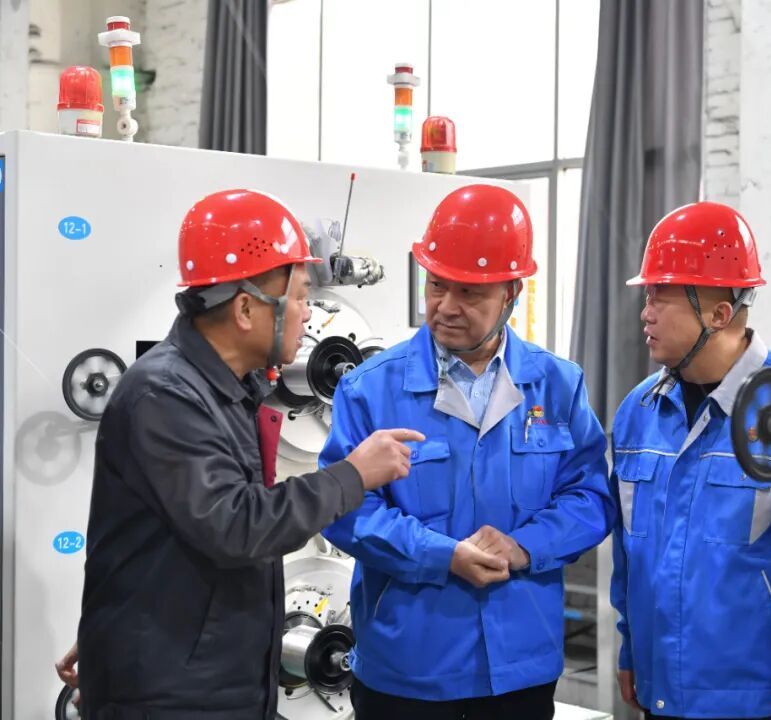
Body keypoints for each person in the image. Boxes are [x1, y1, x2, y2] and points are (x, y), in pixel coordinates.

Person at [73, 189, 423, 720]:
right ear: (244, 308)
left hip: (202, 674)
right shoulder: (165, 395)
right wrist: (353, 475)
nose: (310, 315)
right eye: (301, 298)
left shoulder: (224, 390)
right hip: (176, 695)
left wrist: (119, 623)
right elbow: (237, 526)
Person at [319, 184, 615, 719]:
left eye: (471, 293)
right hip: (408, 669)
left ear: (512, 293)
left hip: (520, 669)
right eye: (436, 285)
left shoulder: (557, 385)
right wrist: (441, 555)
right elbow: (344, 510)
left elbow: (591, 498)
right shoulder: (370, 389)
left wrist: (523, 546)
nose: (446, 307)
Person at [609, 202, 771, 720]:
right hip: (657, 690)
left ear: (719, 314)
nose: (645, 313)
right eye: (648, 295)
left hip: (756, 701)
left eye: (662, 297)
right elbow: (632, 558)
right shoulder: (639, 411)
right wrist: (630, 648)